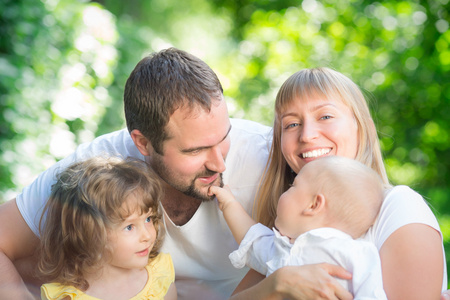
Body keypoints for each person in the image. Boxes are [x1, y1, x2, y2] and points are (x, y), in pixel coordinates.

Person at [0, 48, 353, 300]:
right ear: (142, 142)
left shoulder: (272, 157)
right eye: (195, 150)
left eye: (224, 138)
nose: (219, 163)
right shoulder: (98, 172)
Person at [229, 67, 448, 300]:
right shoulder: (290, 231)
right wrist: (276, 285)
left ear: (364, 129)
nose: (307, 135)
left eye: (325, 116)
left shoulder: (398, 207)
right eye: (292, 124)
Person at [209, 156, 387, 299]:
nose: (285, 191)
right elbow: (253, 239)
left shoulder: (355, 252)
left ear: (313, 205)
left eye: (293, 186)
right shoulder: (283, 248)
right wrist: (229, 204)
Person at [38, 156, 177, 300]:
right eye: (129, 227)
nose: (147, 235)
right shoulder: (69, 297)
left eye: (148, 219)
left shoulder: (159, 276)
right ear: (89, 233)